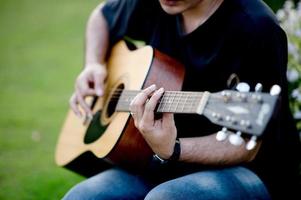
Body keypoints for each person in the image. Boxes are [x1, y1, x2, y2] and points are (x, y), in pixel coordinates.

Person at [63, 0, 301, 199]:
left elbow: (246, 145)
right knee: (81, 197)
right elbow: (101, 17)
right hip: (156, 160)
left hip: (246, 170)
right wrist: (93, 64)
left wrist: (173, 148)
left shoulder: (255, 27)